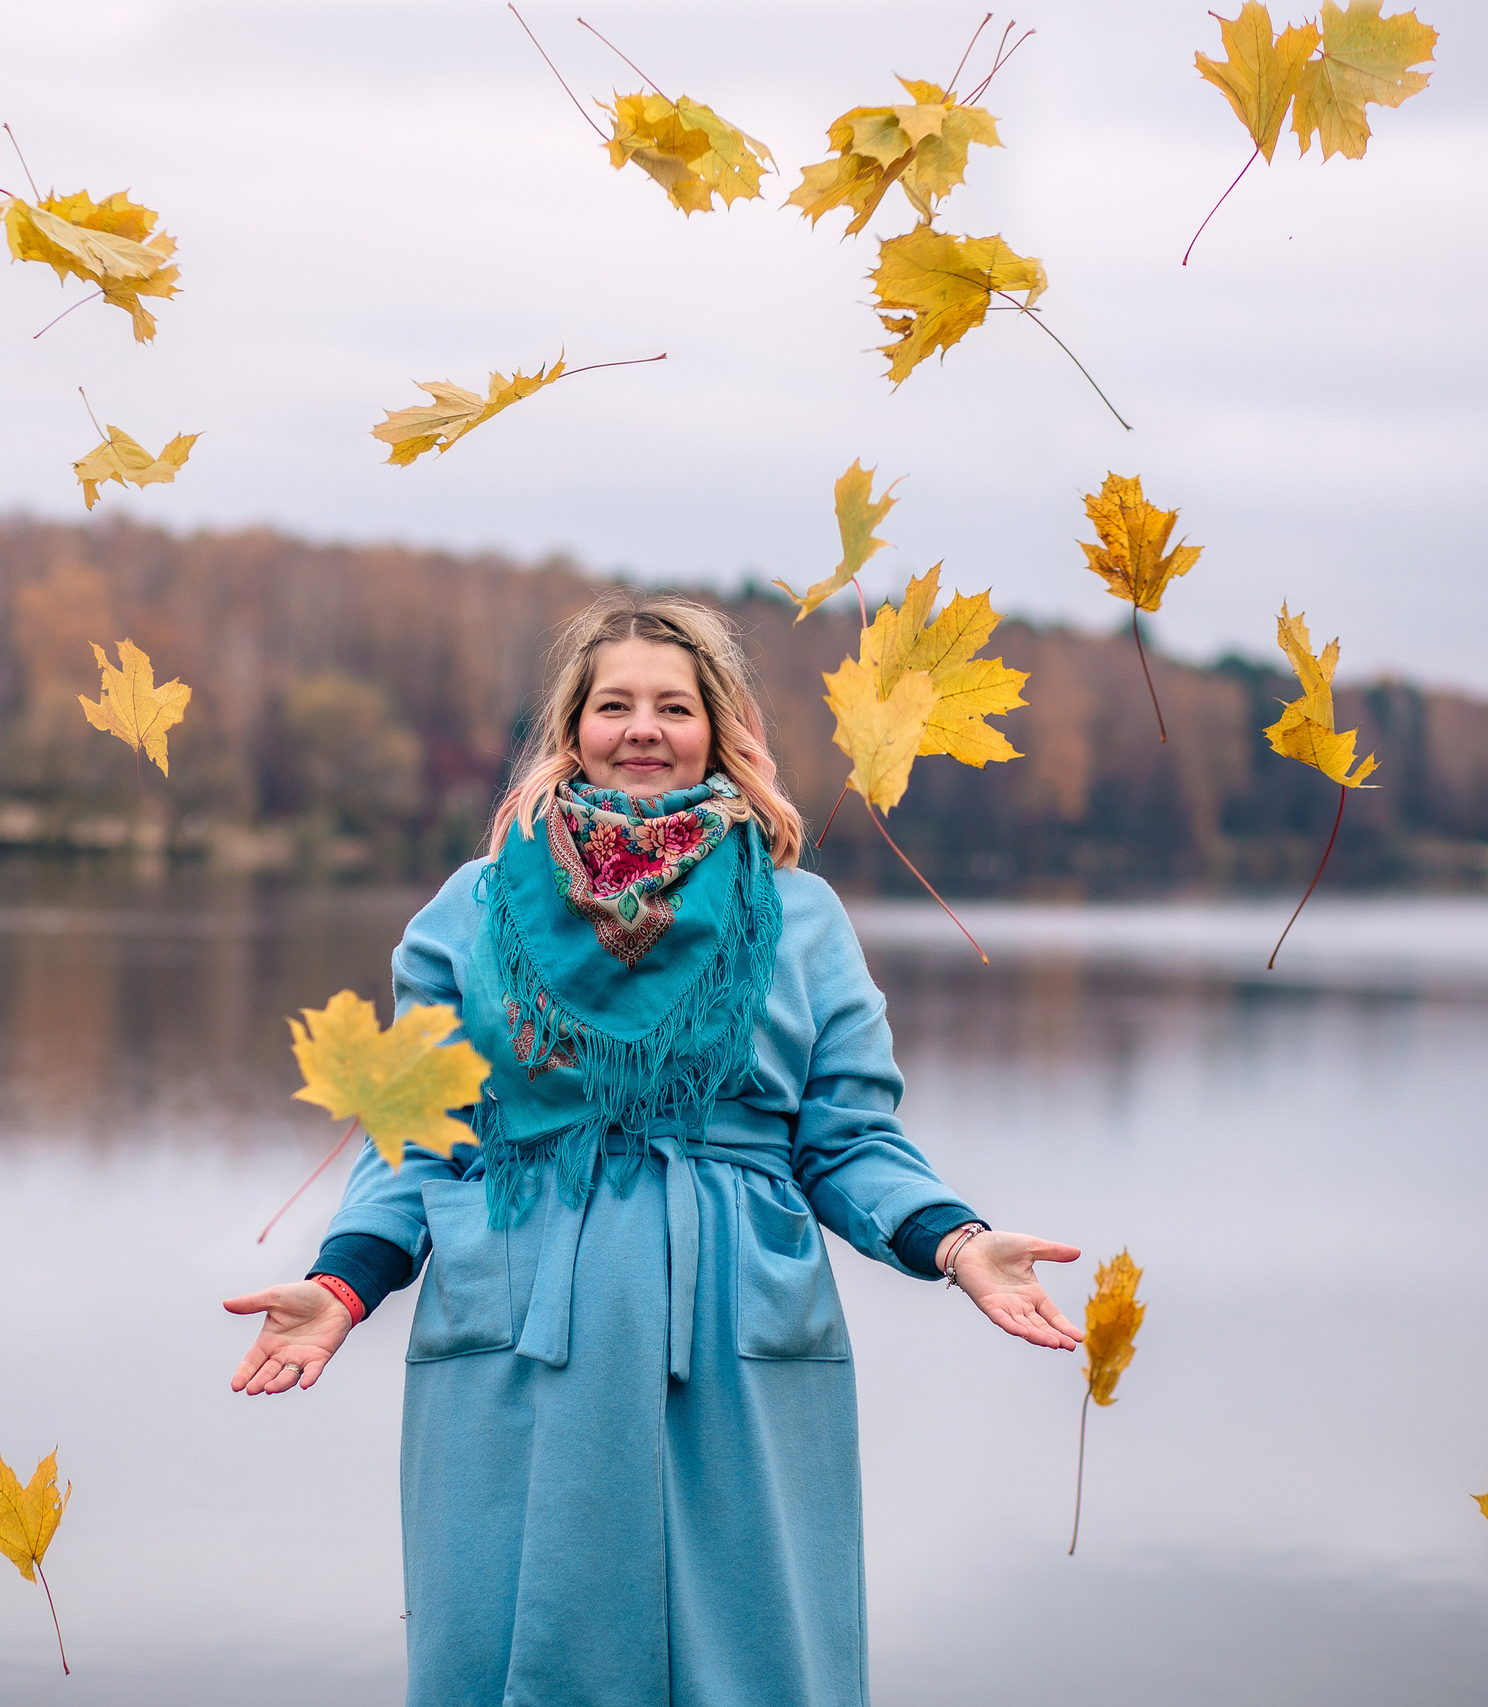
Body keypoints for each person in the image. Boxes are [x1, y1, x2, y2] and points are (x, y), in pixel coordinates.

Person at [224, 590, 1083, 1707]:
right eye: (612, 704)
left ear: (718, 729)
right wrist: (346, 1283)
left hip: (731, 1319)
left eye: (672, 707)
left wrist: (954, 1241)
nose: (641, 729)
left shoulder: (798, 916)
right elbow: (413, 1139)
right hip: (527, 1315)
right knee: (511, 1654)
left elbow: (847, 1137)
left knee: (753, 1656)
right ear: (570, 730)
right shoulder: (471, 912)